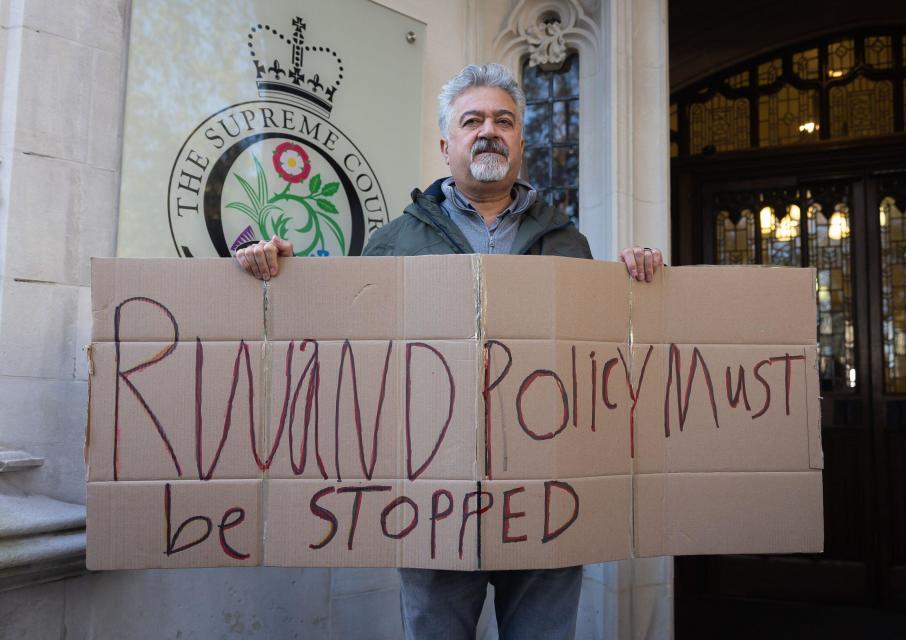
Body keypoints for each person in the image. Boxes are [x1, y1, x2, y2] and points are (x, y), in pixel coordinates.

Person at [236, 63, 662, 640]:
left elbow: (601, 360)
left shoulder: (568, 242)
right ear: (446, 143)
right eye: (473, 120)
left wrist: (639, 282)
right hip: (432, 500)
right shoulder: (393, 243)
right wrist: (275, 272)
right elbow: (348, 346)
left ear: (519, 141)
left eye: (504, 121)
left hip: (545, 499)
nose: (489, 130)